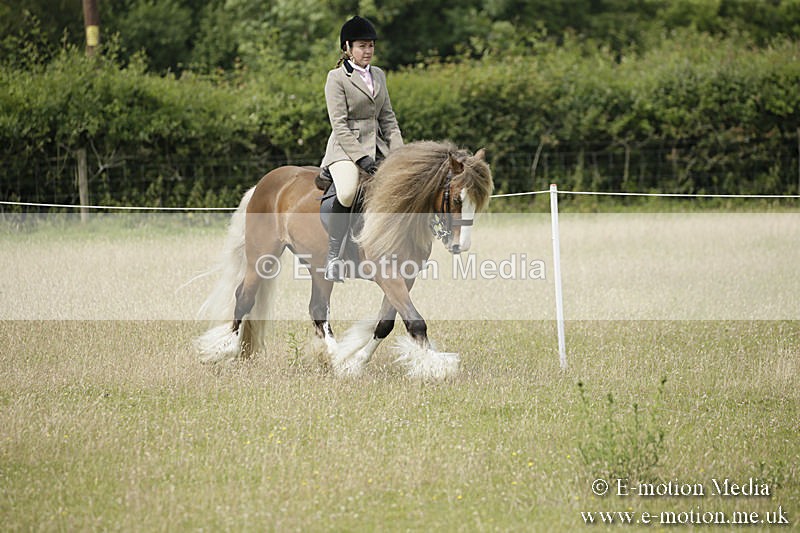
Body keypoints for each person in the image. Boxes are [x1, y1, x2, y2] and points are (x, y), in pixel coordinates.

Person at [320, 15, 404, 282]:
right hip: (345, 150)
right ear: (347, 47)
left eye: (370, 46)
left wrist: (399, 154)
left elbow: (388, 119)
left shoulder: (378, 74)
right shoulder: (336, 78)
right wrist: (362, 159)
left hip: (378, 147)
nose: (368, 51)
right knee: (347, 192)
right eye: (362, 46)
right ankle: (334, 257)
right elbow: (340, 125)